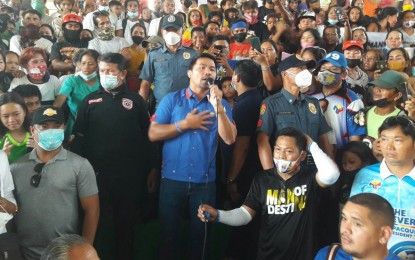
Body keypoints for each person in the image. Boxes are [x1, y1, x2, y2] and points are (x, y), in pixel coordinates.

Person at [199, 127, 340, 259]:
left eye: (289, 151)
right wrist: (219, 215)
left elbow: (331, 174)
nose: (282, 156)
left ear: (302, 155)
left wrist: (311, 145)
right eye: (278, 149)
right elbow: (245, 215)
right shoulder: (262, 179)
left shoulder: (310, 178)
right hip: (268, 255)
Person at [148, 53, 236, 259]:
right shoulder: (172, 99)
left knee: (201, 238)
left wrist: (219, 108)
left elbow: (230, 139)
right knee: (168, 237)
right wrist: (183, 125)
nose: (207, 72)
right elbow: (153, 133)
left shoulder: (221, 105)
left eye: (212, 69)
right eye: (202, 68)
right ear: (189, 73)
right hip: (172, 180)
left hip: (204, 182)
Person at [71, 53, 158, 260]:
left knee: (125, 224)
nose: (106, 75)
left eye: (111, 71)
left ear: (123, 73)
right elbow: (78, 138)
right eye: (102, 71)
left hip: (129, 176)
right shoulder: (89, 101)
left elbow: (149, 138)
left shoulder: (135, 101)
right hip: (95, 175)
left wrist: (153, 168)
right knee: (96, 223)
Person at [11, 106, 99, 260]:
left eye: (56, 126)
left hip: (65, 253)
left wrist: (84, 251)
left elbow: (92, 211)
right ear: (32, 130)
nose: (50, 131)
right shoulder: (15, 168)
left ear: (64, 128)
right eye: (44, 127)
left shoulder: (80, 165)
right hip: (23, 252)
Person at [350, 115, 415, 258]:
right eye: (384, 139)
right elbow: (352, 221)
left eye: (397, 140)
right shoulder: (365, 176)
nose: (389, 147)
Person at [257, 54, 332, 171]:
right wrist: (270, 174)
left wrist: (329, 166)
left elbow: (323, 137)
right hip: (286, 169)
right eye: (300, 69)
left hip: (314, 168)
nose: (305, 72)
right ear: (285, 74)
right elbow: (262, 140)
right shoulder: (271, 103)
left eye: (305, 69)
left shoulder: (313, 103)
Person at [224, 59, 263, 260]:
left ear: (236, 77)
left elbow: (243, 144)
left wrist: (231, 178)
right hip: (257, 169)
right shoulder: (257, 98)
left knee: (245, 218)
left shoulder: (245, 104)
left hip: (247, 171)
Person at [315, 193, 401, 260]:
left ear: (383, 234)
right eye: (344, 218)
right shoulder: (328, 255)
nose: (345, 229)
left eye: (357, 224)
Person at [311, 51, 366, 149]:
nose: (326, 72)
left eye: (333, 69)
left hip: (340, 156)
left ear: (344, 74)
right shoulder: (310, 96)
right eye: (323, 68)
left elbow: (355, 139)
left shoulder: (353, 101)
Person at [139, 13, 197, 105]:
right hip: (161, 106)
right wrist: (141, 108)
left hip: (186, 106)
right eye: (167, 30)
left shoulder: (193, 54)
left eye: (175, 30)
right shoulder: (153, 55)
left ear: (182, 31)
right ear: (162, 32)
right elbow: (145, 83)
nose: (171, 33)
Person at [53, 49, 100, 136]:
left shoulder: (102, 81)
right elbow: (59, 101)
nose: (86, 67)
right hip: (75, 123)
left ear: (97, 66)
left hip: (98, 124)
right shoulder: (72, 80)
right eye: (83, 63)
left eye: (91, 64)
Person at [0, 92, 32, 163]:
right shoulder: (1, 138)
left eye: (16, 114)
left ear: (24, 112)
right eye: (6, 116)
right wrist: (2, 157)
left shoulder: (35, 132)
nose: (11, 120)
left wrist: (40, 148)